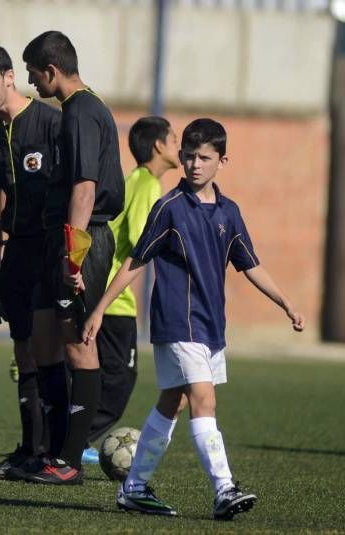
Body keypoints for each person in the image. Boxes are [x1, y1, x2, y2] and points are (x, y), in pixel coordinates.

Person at [82, 118, 305, 519]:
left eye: (204, 157)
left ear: (223, 160)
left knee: (175, 400)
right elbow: (136, 260)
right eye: (188, 155)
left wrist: (286, 303)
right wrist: (99, 308)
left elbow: (250, 265)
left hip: (209, 325)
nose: (194, 164)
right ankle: (224, 489)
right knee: (204, 398)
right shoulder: (168, 207)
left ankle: (133, 487)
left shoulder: (229, 212)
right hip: (176, 321)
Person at [19, 31, 124, 485]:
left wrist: (74, 256)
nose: (29, 81)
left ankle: (71, 461)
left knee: (80, 344)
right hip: (60, 240)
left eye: (31, 73)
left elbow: (85, 189)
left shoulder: (81, 110)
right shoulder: (79, 108)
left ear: (50, 71)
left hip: (82, 241)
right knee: (45, 339)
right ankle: (48, 450)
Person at [0, 43, 63, 479]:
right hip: (15, 251)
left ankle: (55, 454)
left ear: (8, 78)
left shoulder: (51, 123)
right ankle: (27, 449)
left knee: (48, 350)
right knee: (22, 350)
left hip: (50, 249)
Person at [86, 116, 181, 451]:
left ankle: (69, 439)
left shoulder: (137, 180)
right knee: (119, 379)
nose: (179, 146)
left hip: (104, 292)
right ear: (158, 145)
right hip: (114, 299)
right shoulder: (148, 185)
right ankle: (74, 440)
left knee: (95, 373)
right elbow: (143, 241)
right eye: (174, 139)